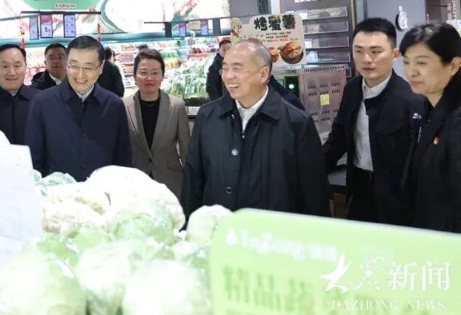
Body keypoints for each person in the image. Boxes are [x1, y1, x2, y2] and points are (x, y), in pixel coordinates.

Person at [182, 40, 329, 218]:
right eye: (225, 68)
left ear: (263, 74)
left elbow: (314, 194)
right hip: (220, 230)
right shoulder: (207, 117)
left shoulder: (296, 123)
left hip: (272, 232)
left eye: (237, 68)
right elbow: (193, 181)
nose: (228, 76)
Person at [323, 18, 423, 225]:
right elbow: (338, 137)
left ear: (395, 55)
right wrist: (312, 171)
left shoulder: (411, 99)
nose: (366, 59)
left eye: (376, 52)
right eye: (359, 51)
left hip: (398, 197)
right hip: (359, 188)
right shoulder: (352, 89)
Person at [25, 36, 132, 181]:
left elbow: (123, 159)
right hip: (57, 192)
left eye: (88, 67)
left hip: (102, 191)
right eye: (73, 66)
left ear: (100, 68)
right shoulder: (42, 103)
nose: (80, 75)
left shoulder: (114, 105)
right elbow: (33, 160)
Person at [400, 23, 461, 233]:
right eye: (406, 62)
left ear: (453, 65)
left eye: (422, 63)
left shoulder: (456, 119)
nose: (411, 71)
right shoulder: (424, 107)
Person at [123, 48, 190, 200]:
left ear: (162, 75)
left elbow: (186, 149)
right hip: (135, 185)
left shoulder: (176, 106)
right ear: (134, 75)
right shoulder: (123, 106)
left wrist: (191, 184)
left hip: (170, 182)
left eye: (155, 73)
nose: (149, 78)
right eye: (143, 72)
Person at [0, 44, 40, 144]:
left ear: (25, 67)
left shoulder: (41, 101)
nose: (11, 72)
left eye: (17, 66)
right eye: (5, 66)